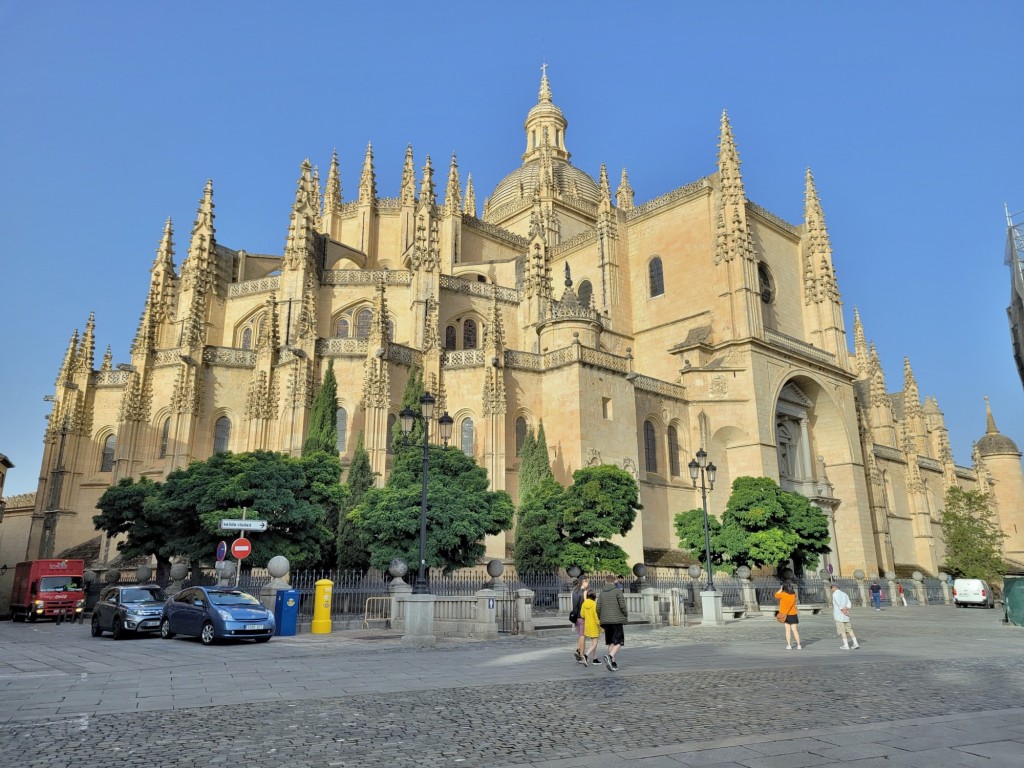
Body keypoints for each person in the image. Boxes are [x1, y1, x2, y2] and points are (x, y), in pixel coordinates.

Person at [595, 574, 628, 671]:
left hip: (605, 621)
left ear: (605, 581)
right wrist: (625, 614)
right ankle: (610, 657)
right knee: (619, 641)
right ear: (614, 581)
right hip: (616, 620)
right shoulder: (618, 591)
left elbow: (598, 608)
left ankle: (613, 663)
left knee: (610, 642)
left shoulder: (601, 593)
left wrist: (601, 617)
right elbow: (622, 606)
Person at [831, 583, 860, 649]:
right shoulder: (844, 594)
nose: (831, 588)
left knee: (842, 631)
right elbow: (849, 603)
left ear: (835, 587)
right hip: (846, 614)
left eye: (831, 587)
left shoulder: (835, 594)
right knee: (849, 629)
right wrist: (847, 608)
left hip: (839, 614)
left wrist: (842, 610)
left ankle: (846, 645)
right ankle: (855, 643)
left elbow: (838, 603)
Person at [774, 582, 801, 650]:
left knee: (787, 630)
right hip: (793, 614)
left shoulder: (783, 594)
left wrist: (780, 589)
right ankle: (799, 645)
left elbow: (776, 595)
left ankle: (789, 645)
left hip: (785, 614)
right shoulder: (793, 595)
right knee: (795, 630)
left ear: (784, 588)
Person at [569, 577, 589, 664]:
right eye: (587, 581)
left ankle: (578, 650)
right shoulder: (584, 592)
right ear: (583, 582)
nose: (588, 583)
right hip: (582, 616)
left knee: (580, 635)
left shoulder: (573, 592)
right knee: (583, 636)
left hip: (575, 617)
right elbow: (586, 605)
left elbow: (572, 606)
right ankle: (582, 655)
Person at [579, 590, 602, 666]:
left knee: (593, 643)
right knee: (595, 644)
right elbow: (596, 617)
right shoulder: (594, 604)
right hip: (594, 626)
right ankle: (585, 655)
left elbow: (582, 615)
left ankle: (595, 659)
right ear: (595, 597)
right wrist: (600, 624)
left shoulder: (584, 604)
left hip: (587, 625)